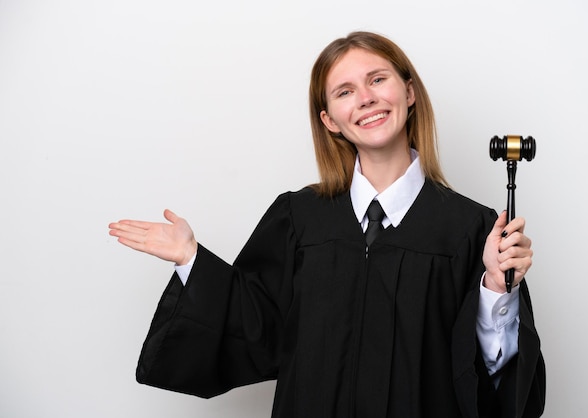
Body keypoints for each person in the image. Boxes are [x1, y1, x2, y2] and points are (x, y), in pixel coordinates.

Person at [109, 31, 545, 417]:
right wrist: (191, 260)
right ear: (329, 120)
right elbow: (257, 327)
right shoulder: (299, 218)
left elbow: (491, 381)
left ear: (409, 93)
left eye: (378, 80)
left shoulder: (471, 228)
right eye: (344, 92)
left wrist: (493, 286)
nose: (366, 98)